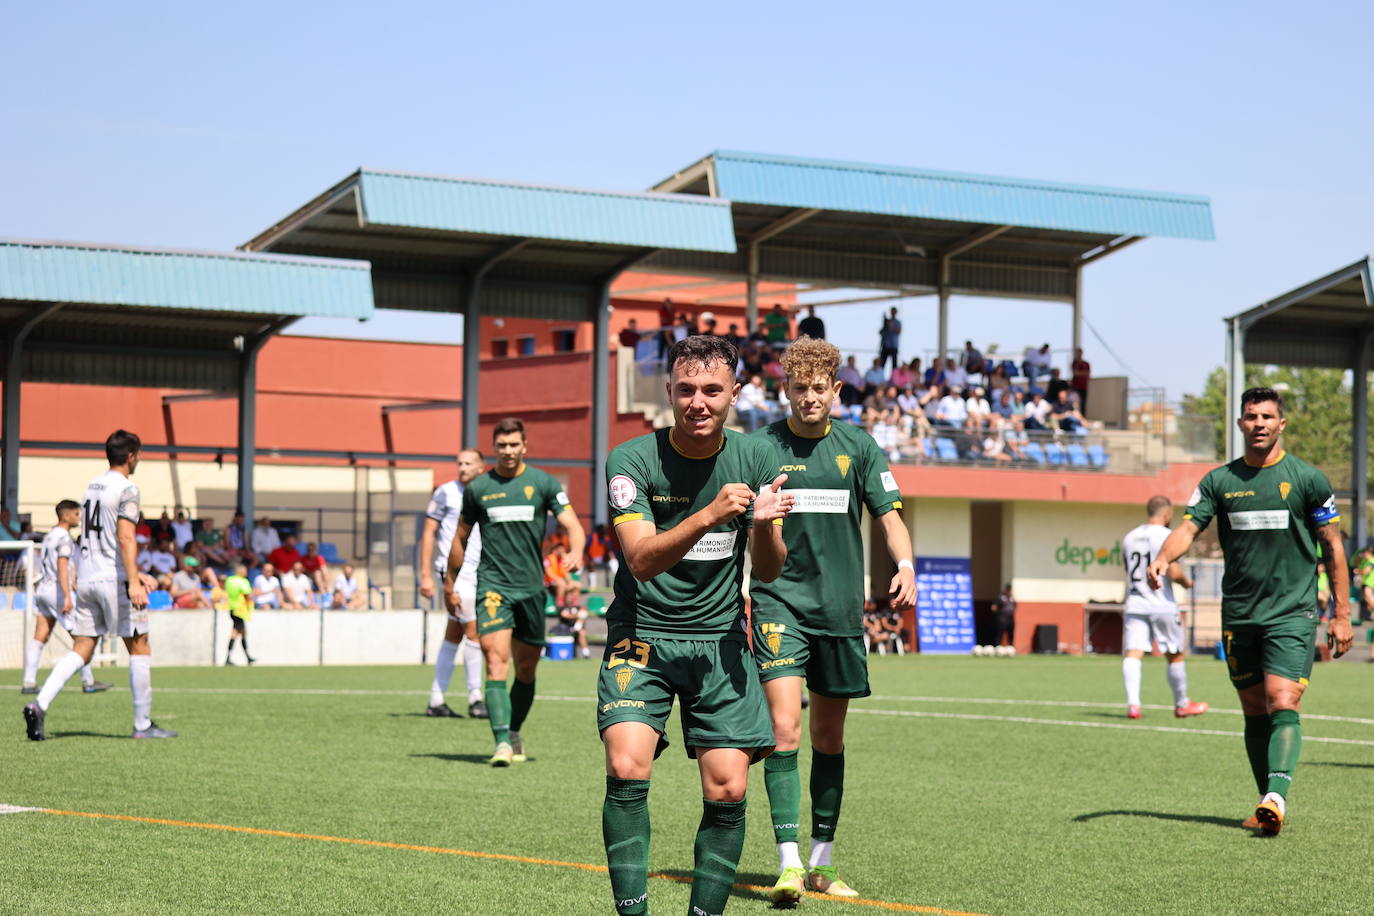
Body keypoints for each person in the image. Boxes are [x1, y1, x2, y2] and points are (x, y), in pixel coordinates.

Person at [599, 334, 792, 916]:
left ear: (735, 392)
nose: (698, 402)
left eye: (712, 389)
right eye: (686, 389)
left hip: (719, 640)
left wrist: (761, 525)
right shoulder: (630, 461)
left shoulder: (757, 457)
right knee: (626, 762)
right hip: (641, 632)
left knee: (729, 787)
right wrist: (710, 512)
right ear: (669, 392)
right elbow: (640, 560)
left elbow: (773, 568)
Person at [750, 335, 915, 904]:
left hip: (841, 611)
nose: (809, 398)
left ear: (836, 390)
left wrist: (907, 564)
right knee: (783, 731)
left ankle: (821, 862)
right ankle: (788, 863)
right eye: (799, 388)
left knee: (829, 735)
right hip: (778, 603)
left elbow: (891, 517)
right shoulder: (760, 448)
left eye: (819, 388)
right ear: (785, 389)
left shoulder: (860, 446)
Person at [1146, 387, 1352, 836]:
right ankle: (1267, 803)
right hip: (1239, 615)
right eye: (1250, 416)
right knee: (1254, 710)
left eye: (1267, 416)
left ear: (1281, 425)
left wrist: (1341, 613)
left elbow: (1333, 547)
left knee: (1283, 700)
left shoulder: (1307, 479)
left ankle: (1276, 796)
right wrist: (1165, 557)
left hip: (1292, 613)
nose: (1258, 423)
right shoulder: (1220, 481)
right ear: (1240, 424)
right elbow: (1188, 526)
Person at [447, 417, 584, 766]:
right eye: (502, 446)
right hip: (493, 587)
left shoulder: (543, 484)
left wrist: (577, 550)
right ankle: (501, 744)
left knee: (526, 669)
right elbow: (460, 539)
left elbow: (572, 524)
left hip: (531, 590)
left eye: (514, 445)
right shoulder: (479, 489)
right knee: (495, 660)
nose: (508, 451)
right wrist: (449, 583)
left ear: (524, 446)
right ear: (494, 448)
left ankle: (514, 730)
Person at [24, 429, 176, 741]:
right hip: (112, 579)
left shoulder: (90, 487)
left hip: (88, 576)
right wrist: (133, 580)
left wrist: (136, 572)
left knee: (83, 647)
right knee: (140, 644)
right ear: (131, 456)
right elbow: (124, 536)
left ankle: (39, 704)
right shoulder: (128, 488)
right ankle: (143, 724)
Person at [1122, 496, 1209, 720]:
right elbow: (1173, 570)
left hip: (1135, 601)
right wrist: (1186, 582)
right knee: (1174, 654)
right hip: (1161, 602)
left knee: (1133, 653)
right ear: (1167, 513)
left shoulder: (1129, 537)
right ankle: (1182, 704)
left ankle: (1133, 705)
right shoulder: (1166, 536)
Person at [418, 449, 488, 718]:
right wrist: (426, 573)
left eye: (468, 463)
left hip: (479, 570)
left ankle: (436, 700)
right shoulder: (445, 492)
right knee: (473, 630)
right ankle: (476, 698)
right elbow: (428, 534)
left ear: (481, 467)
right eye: (459, 463)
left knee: (455, 633)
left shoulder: (486, 492)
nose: (462, 467)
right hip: (454, 573)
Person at [21, 500, 112, 696]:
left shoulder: (49, 536)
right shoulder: (64, 538)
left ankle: (28, 681)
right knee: (82, 637)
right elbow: (63, 565)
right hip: (57, 591)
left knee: (39, 637)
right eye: (76, 514)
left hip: (43, 589)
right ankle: (88, 681)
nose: (79, 517)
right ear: (66, 516)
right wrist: (68, 596)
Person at [224, 563, 255, 665]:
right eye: (245, 570)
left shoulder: (229, 580)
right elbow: (247, 595)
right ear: (241, 571)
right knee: (236, 633)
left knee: (241, 632)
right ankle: (229, 658)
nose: (246, 573)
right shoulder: (243, 581)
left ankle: (247, 657)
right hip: (240, 610)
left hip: (232, 609)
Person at [992, 583, 1016, 647]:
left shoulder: (1012, 598)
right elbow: (994, 607)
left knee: (1011, 634)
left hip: (1010, 619)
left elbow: (1015, 607)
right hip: (1002, 619)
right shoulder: (1000, 597)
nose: (1009, 591)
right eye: (1007, 589)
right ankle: (997, 646)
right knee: (1000, 633)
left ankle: (1011, 647)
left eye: (1009, 589)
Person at [1070, 347, 1091, 412]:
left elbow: (1088, 374)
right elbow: (1075, 373)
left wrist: (1080, 373)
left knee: (1083, 402)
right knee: (1074, 402)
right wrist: (1083, 373)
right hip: (1075, 386)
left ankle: (1083, 417)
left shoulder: (1086, 363)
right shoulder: (1074, 363)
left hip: (1083, 386)